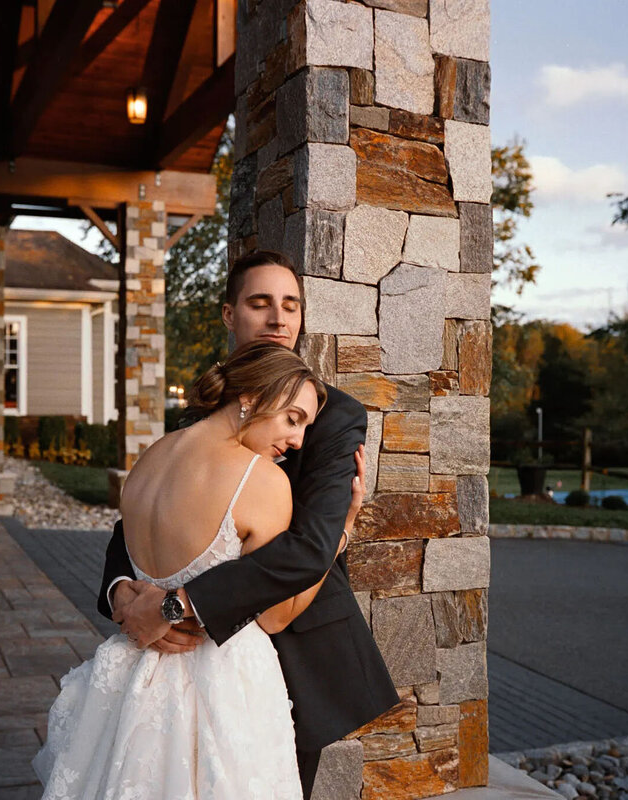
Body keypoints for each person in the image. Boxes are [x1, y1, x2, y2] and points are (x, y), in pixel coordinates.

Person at [100, 251, 399, 798]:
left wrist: (178, 602)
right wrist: (123, 593)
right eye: (260, 304)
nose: (278, 319)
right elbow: (133, 524)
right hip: (177, 652)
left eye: (291, 306)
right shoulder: (196, 419)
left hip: (294, 642)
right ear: (229, 315)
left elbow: (310, 545)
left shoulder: (334, 415)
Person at [34, 341, 348, 799]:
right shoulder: (262, 481)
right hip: (222, 690)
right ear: (252, 398)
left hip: (134, 678)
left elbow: (126, 546)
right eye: (293, 419)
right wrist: (341, 531)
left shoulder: (150, 459)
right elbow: (276, 616)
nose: (298, 441)